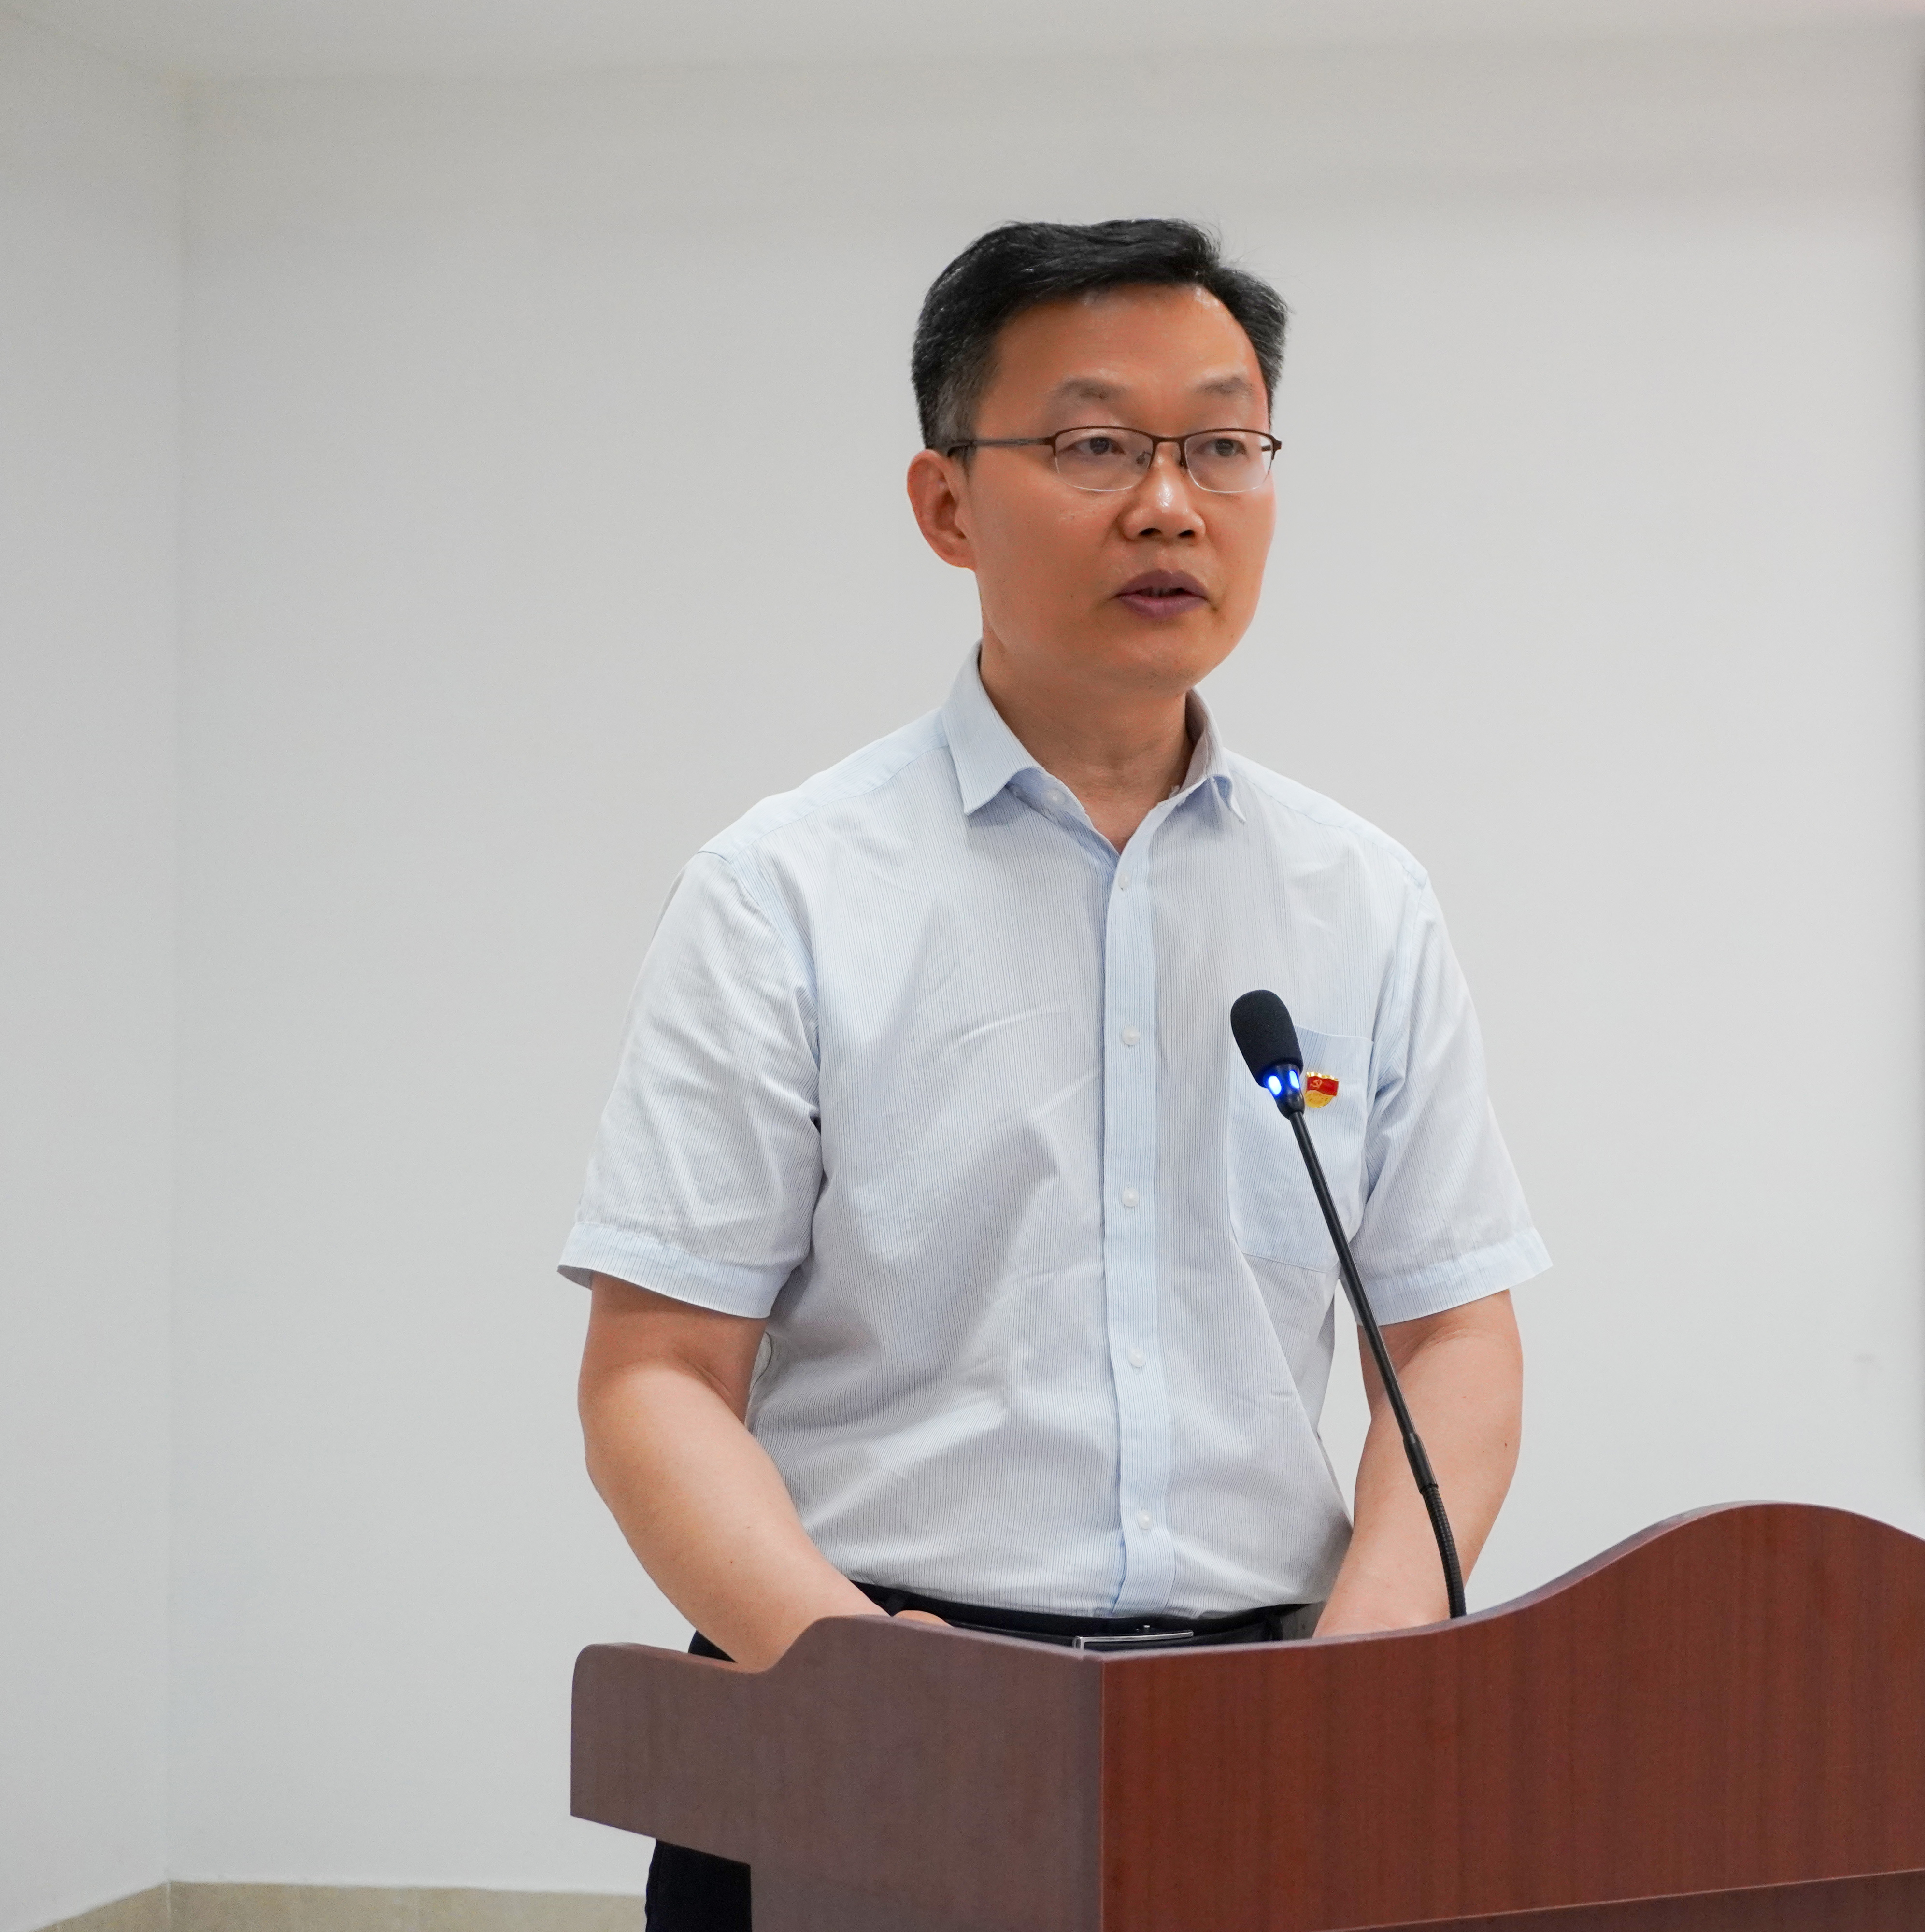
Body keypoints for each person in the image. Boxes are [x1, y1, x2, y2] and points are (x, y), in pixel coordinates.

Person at [560, 219, 1547, 1932]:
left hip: (1269, 1730)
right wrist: (855, 1676)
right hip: (859, 1719)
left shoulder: (1359, 898)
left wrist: (1378, 1655)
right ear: (947, 503)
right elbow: (656, 1376)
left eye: (1222, 445)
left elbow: (1452, 1329)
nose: (1170, 505)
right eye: (1095, 445)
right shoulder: (785, 892)